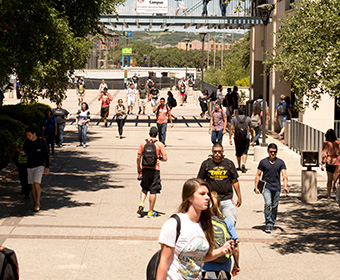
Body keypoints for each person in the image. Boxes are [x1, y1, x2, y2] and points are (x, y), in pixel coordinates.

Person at [156, 178, 234, 280]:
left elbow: (199, 258)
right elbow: (164, 261)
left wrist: (222, 250)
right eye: (202, 194)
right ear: (190, 197)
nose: (207, 197)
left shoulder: (205, 224)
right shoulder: (174, 223)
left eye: (207, 194)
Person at [197, 143, 241, 225]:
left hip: (226, 198)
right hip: (211, 199)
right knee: (209, 223)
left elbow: (235, 181)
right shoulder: (206, 164)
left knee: (231, 222)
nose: (217, 154)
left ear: (223, 152)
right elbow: (200, 182)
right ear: (212, 152)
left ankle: (228, 237)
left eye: (219, 152)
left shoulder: (229, 164)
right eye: (215, 152)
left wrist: (239, 196)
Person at [202, 191, 240, 279]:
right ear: (219, 204)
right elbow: (236, 247)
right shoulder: (227, 221)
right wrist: (236, 265)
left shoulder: (202, 222)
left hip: (205, 265)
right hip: (224, 264)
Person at [254, 143, 289, 232]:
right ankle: (268, 222)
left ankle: (272, 221)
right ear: (268, 152)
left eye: (274, 152)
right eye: (271, 152)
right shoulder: (263, 162)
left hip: (276, 187)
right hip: (266, 187)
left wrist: (285, 186)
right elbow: (258, 174)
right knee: (268, 203)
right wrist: (256, 187)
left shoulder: (280, 162)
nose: (273, 154)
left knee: (275, 206)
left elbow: (284, 175)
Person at [137, 127, 167, 217]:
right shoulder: (159, 144)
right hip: (155, 169)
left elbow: (138, 156)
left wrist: (139, 168)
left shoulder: (143, 143)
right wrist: (159, 158)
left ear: (149, 133)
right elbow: (165, 158)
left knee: (144, 188)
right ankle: (150, 211)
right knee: (153, 190)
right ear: (157, 134)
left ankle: (142, 203)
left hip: (145, 168)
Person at [22, 127, 49, 212]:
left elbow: (46, 155)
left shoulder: (41, 142)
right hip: (30, 165)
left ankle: (37, 203)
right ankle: (35, 202)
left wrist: (47, 167)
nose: (28, 137)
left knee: (36, 183)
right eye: (27, 135)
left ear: (34, 134)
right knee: (32, 185)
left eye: (29, 135)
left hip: (39, 165)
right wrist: (23, 153)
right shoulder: (27, 142)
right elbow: (26, 152)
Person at [229, 106, 253, 173]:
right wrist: (252, 137)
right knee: (245, 151)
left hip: (237, 137)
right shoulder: (248, 118)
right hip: (246, 137)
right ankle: (244, 163)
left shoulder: (234, 118)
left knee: (238, 151)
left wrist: (230, 137)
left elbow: (231, 128)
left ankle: (239, 166)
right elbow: (251, 128)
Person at [321, 129, 340, 199]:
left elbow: (324, 154)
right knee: (337, 180)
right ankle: (337, 195)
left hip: (329, 162)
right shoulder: (338, 143)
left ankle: (329, 195)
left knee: (329, 180)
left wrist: (323, 163)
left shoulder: (326, 144)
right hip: (338, 162)